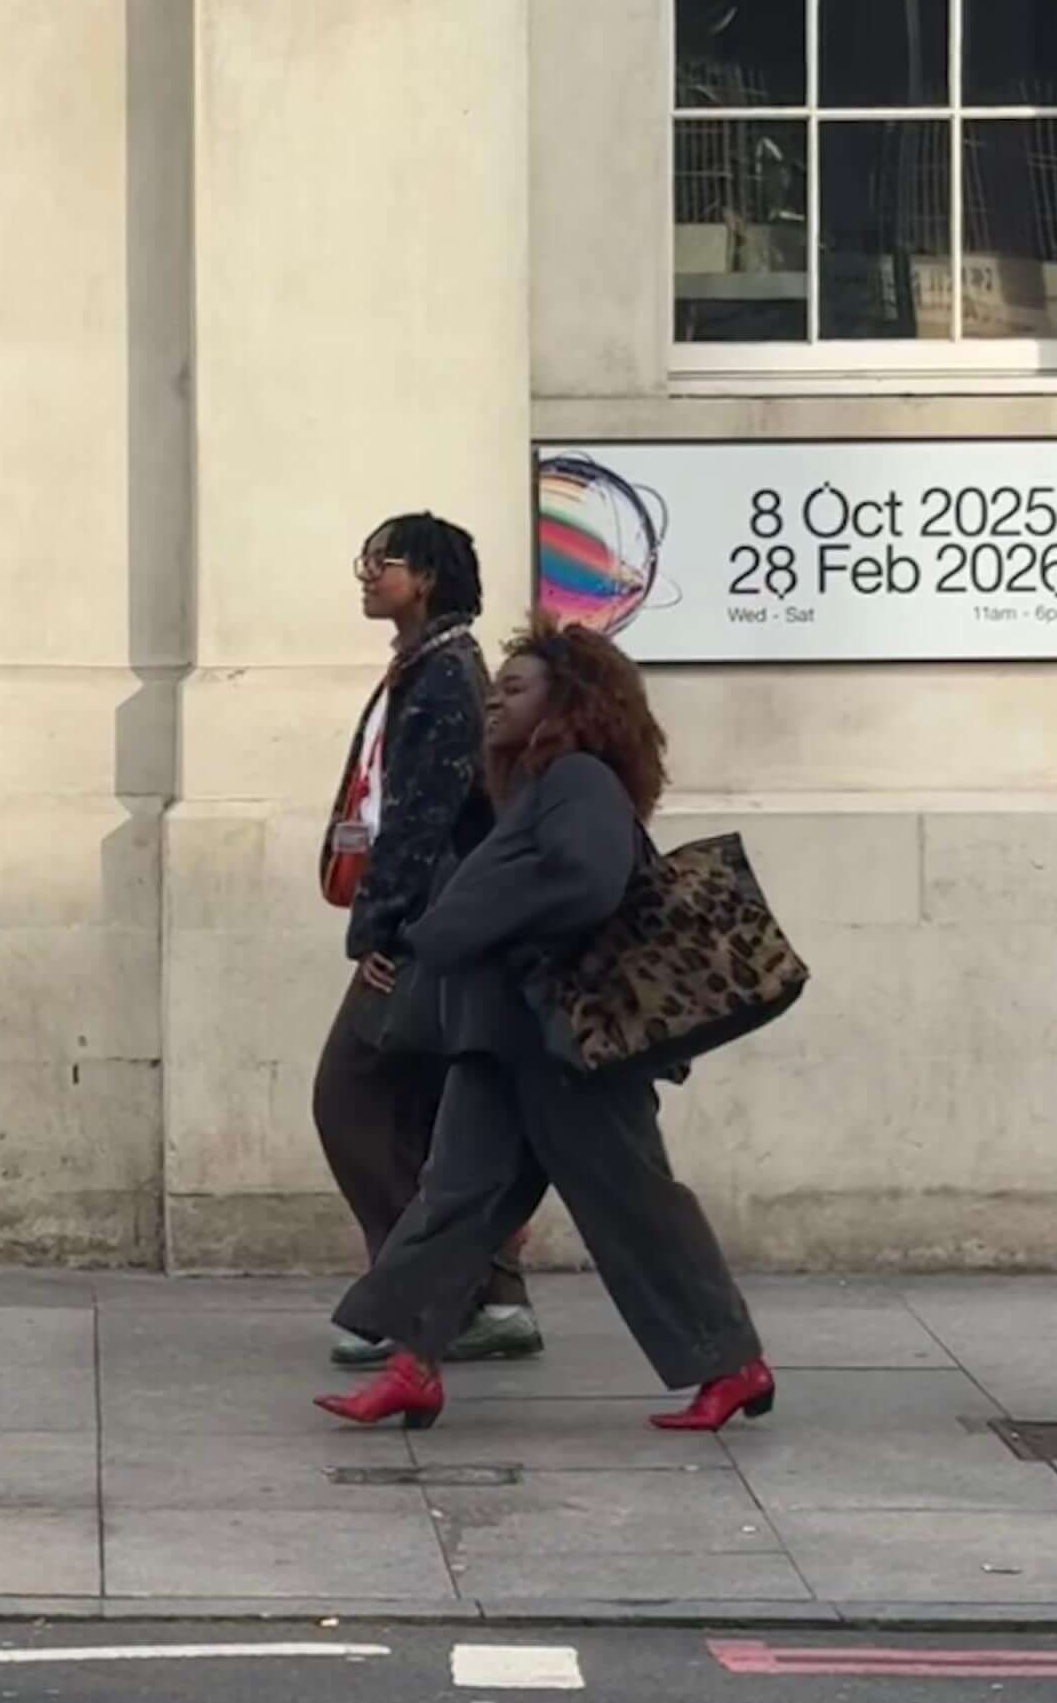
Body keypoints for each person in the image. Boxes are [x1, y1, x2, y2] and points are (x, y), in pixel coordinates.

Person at [314, 621, 772, 1437]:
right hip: (506, 1044)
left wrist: (455, 926)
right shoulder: (530, 790)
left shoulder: (581, 780)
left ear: (571, 704)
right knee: (453, 1198)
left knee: (632, 1204)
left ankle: (732, 1364)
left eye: (516, 688)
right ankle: (413, 1365)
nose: (495, 698)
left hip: (567, 1048)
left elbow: (583, 883)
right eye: (499, 687)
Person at [312, 513, 538, 1367]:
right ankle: (480, 1296)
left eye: (386, 561)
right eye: (365, 558)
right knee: (439, 1113)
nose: (366, 574)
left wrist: (384, 930)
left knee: (352, 1100)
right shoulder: (428, 665)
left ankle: (429, 1295)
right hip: (441, 928)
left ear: (430, 579)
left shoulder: (446, 675)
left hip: (427, 932)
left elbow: (421, 819)